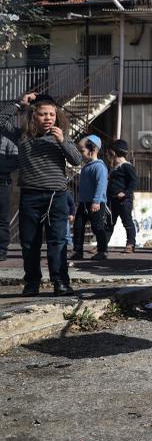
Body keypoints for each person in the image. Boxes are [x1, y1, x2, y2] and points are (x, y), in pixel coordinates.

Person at [0, 92, 81, 296]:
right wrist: (19, 104)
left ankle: (60, 282)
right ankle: (32, 283)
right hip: (30, 196)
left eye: (52, 114)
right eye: (43, 114)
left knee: (58, 241)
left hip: (57, 197)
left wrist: (62, 141)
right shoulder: (22, 136)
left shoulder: (61, 136)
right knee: (29, 242)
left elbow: (77, 160)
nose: (48, 118)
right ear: (33, 116)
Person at [71, 135, 110, 261]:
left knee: (98, 227)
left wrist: (96, 201)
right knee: (78, 227)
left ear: (92, 150)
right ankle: (78, 251)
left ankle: (102, 251)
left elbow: (101, 185)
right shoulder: (86, 166)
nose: (80, 154)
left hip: (96, 203)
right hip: (83, 203)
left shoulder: (99, 166)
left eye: (82, 151)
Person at [106, 138, 138, 253]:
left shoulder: (126, 166)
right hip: (113, 201)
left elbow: (134, 181)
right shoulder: (114, 168)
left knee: (127, 222)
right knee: (109, 223)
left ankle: (130, 244)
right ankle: (102, 245)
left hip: (124, 201)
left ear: (114, 153)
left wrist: (125, 193)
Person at [0, 118, 17, 262]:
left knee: (2, 218)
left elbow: (16, 160)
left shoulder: (7, 140)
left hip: (2, 183)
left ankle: (1, 249)